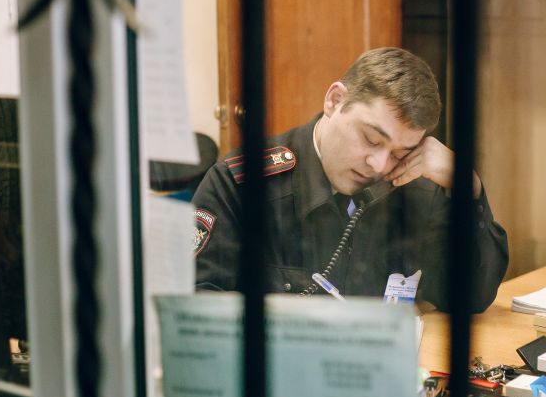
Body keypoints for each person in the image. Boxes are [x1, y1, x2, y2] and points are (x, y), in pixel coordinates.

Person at [192, 47, 508, 312]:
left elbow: (470, 296)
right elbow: (197, 305)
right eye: (371, 139)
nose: (379, 164)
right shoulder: (240, 185)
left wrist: (468, 188)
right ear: (334, 100)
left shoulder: (414, 187)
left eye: (401, 152)